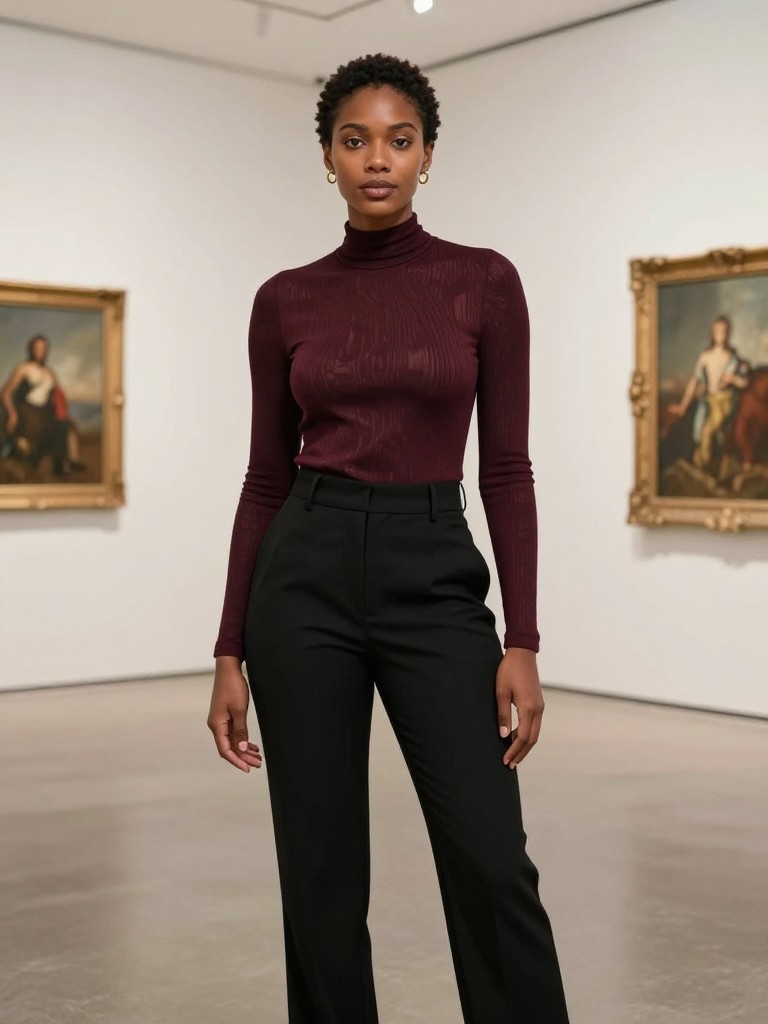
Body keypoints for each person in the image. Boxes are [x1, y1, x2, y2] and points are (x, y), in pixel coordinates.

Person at [207, 52, 571, 1024]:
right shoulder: (285, 299)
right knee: (320, 876)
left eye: (399, 140)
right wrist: (229, 646)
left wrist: (523, 638)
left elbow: (506, 469)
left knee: (492, 860)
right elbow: (264, 478)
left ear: (429, 155)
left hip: (433, 575)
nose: (378, 159)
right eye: (355, 139)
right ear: (326, 156)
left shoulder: (483, 282)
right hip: (305, 575)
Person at [667, 314, 750, 479]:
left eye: (724, 331)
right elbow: (694, 381)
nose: (721, 335)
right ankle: (703, 469)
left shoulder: (732, 358)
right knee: (698, 431)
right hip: (709, 401)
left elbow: (744, 383)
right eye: (718, 331)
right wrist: (683, 405)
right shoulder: (705, 356)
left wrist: (733, 378)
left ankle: (704, 467)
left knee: (708, 432)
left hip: (725, 401)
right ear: (713, 334)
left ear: (728, 334)